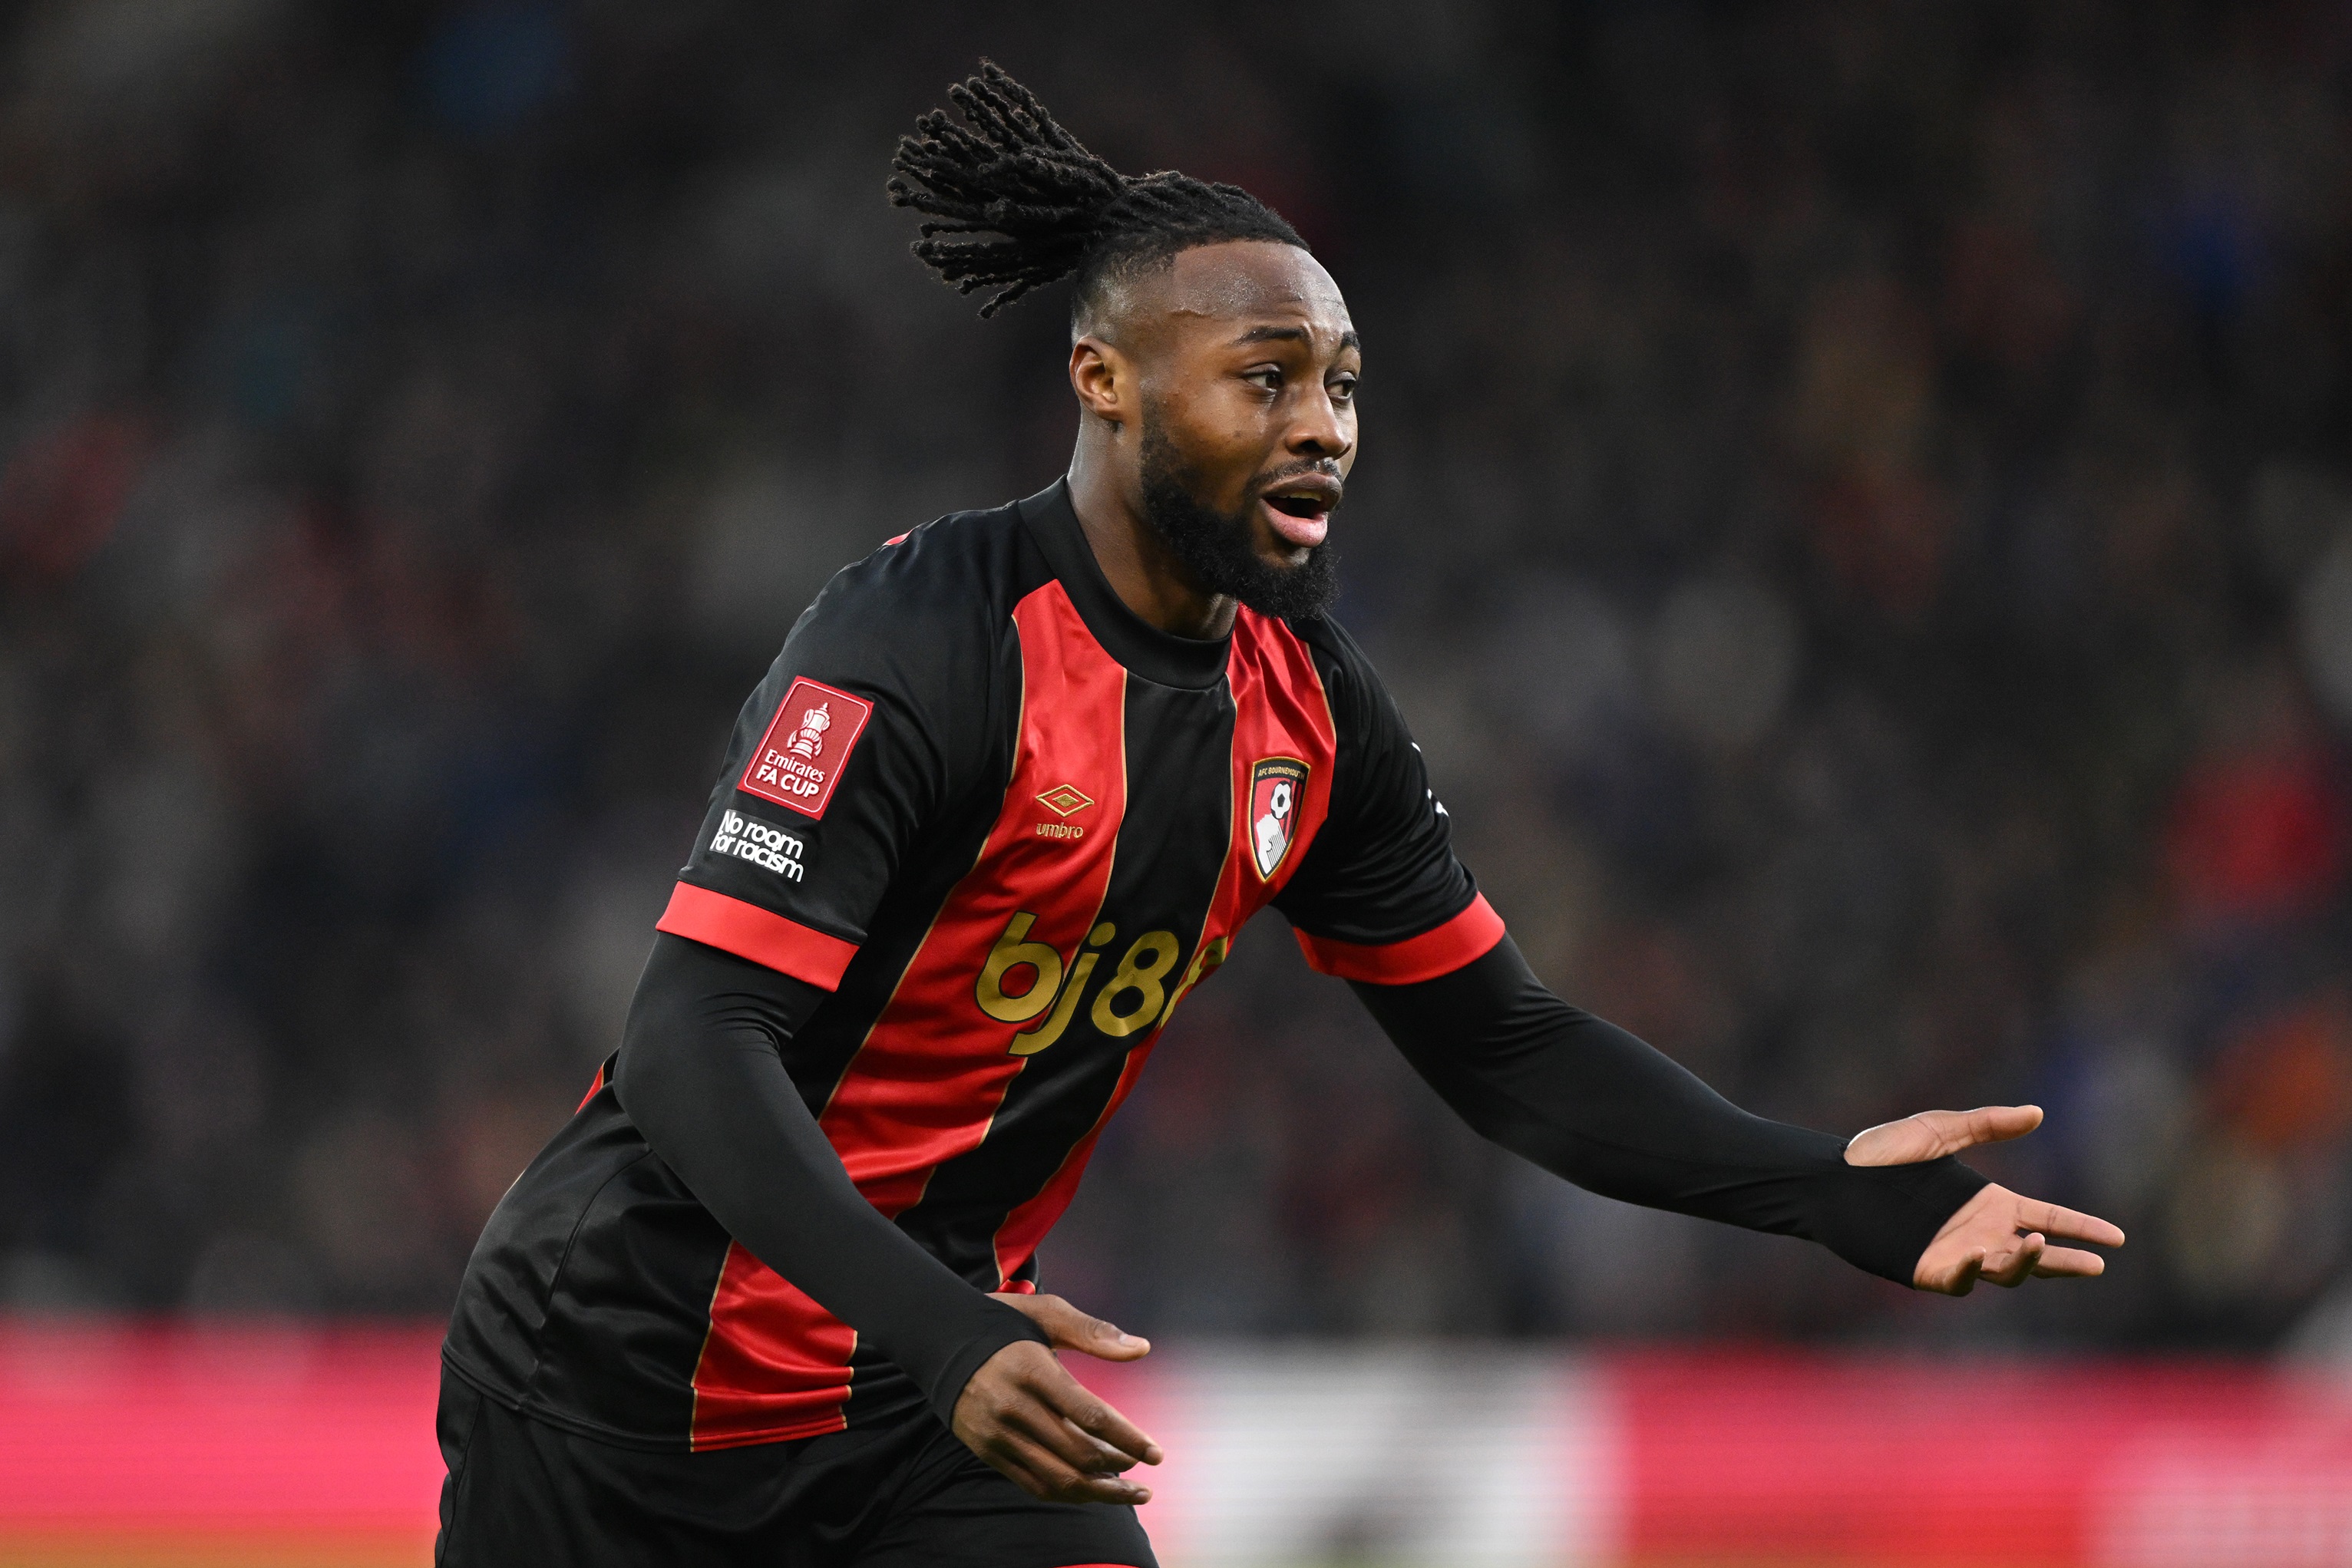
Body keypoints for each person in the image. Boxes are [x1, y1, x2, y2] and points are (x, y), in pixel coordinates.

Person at [433, 61, 2124, 1568]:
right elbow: (689, 1039)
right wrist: (940, 1328)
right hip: (619, 1382)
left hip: (925, 1395)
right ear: (1103, 380)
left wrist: (1827, 1185)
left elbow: (1504, 1044)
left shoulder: (1310, 714)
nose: (1322, 425)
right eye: (1264, 377)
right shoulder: (918, 646)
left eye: (1342, 383)